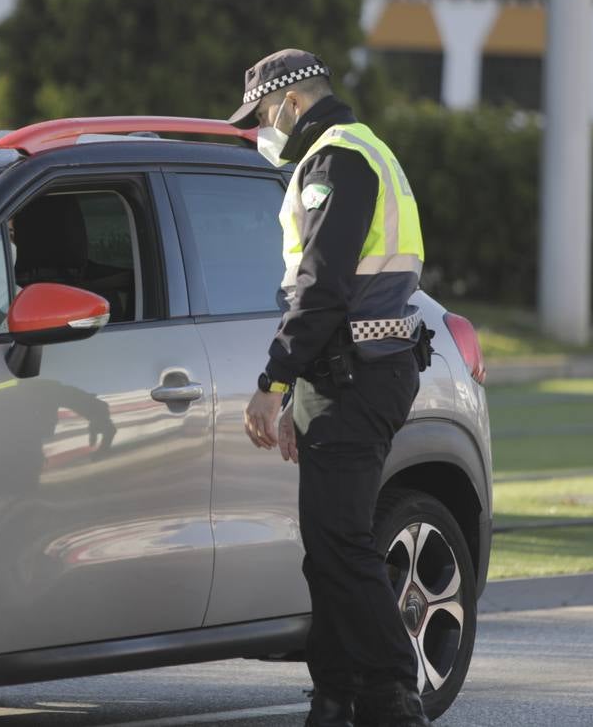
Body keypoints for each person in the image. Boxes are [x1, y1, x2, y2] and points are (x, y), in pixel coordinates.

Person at [235, 49, 431, 727]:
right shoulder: (366, 150)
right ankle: (338, 695)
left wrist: (272, 379)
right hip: (357, 371)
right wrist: (297, 397)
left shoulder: (334, 160)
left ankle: (390, 693)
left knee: (340, 542)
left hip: (357, 375)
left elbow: (321, 285)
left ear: (291, 104)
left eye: (263, 113)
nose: (263, 128)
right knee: (329, 545)